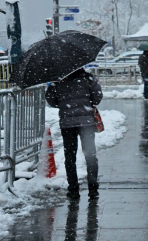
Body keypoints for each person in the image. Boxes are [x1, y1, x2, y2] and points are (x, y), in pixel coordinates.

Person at [45, 68, 103, 200]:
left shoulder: (58, 81)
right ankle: (93, 189)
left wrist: (64, 105)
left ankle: (73, 190)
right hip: (86, 123)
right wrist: (87, 103)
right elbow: (97, 97)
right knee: (90, 155)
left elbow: (51, 100)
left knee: (70, 157)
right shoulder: (88, 79)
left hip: (67, 123)